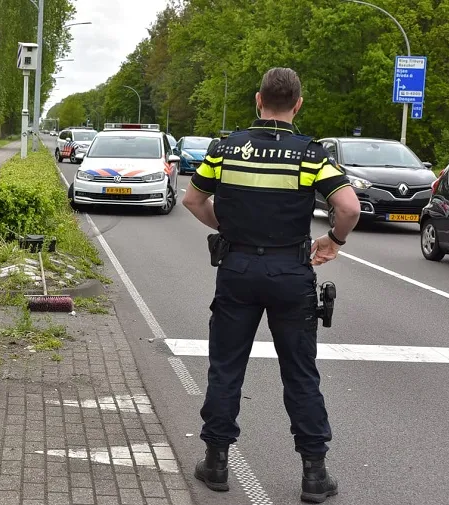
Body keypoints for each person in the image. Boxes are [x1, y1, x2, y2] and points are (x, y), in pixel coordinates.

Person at [181, 67, 360, 504]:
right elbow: (349, 207)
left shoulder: (226, 149)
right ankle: (314, 475)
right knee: (300, 374)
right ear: (297, 104)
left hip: (238, 268)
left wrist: (226, 226)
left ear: (258, 100)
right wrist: (333, 242)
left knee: (226, 367)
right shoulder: (310, 155)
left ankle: (217, 462)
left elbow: (192, 199)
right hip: (291, 273)